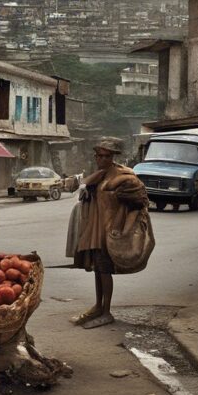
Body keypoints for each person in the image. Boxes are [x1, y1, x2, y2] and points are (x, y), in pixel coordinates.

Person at [69, 138, 148, 329]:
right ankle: (98, 306)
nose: (100, 159)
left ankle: (106, 312)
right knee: (98, 269)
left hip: (111, 230)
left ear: (112, 157)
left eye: (105, 156)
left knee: (105, 270)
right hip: (96, 229)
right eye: (98, 155)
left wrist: (125, 231)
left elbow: (139, 205)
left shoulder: (124, 177)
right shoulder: (100, 175)